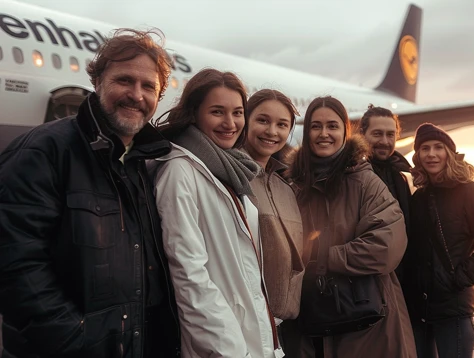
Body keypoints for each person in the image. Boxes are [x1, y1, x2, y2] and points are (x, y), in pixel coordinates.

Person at [0, 29, 180, 357]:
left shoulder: (147, 164)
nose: (136, 95)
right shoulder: (43, 151)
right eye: (124, 80)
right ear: (97, 83)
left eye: (148, 86)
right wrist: (74, 340)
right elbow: (15, 263)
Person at [150, 69, 282, 358]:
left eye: (237, 112)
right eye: (217, 112)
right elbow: (189, 277)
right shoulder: (179, 171)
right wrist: (229, 351)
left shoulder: (228, 169)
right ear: (194, 113)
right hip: (221, 346)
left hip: (248, 337)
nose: (230, 123)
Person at [285, 96, 416, 358]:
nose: (324, 134)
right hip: (308, 320)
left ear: (345, 131)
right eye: (316, 126)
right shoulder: (292, 184)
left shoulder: (366, 181)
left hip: (364, 322)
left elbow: (386, 246)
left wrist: (323, 257)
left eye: (332, 126)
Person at [404, 123, 474, 358]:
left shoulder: (470, 192)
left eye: (438, 147)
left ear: (449, 154)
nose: (431, 154)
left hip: (453, 310)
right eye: (425, 149)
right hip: (419, 310)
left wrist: (458, 279)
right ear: (418, 157)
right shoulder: (419, 197)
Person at [243, 89, 305, 330]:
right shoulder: (230, 176)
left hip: (282, 325)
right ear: (245, 121)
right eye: (263, 120)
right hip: (246, 321)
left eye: (282, 125)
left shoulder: (285, 186)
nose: (272, 131)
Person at [359, 104, 412, 278]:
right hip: (366, 277)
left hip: (400, 277)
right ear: (362, 135)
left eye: (390, 134)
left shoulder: (402, 177)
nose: (384, 141)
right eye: (377, 134)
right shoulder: (353, 176)